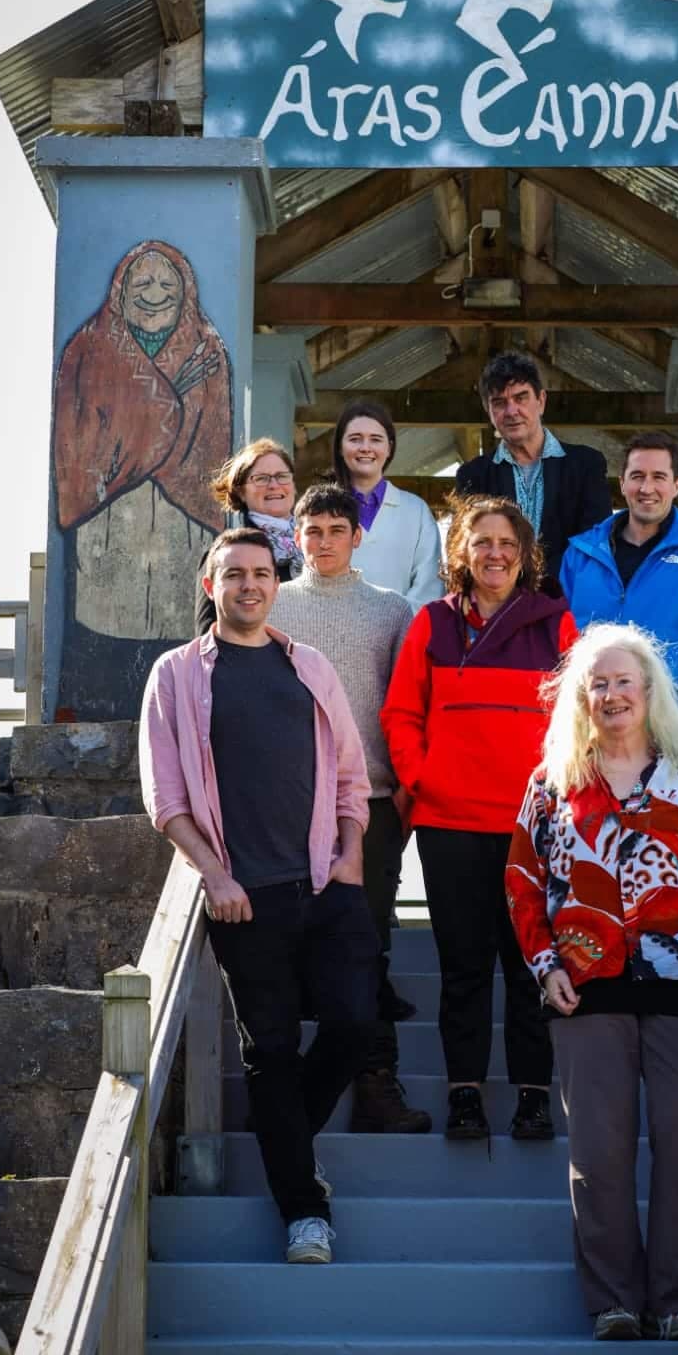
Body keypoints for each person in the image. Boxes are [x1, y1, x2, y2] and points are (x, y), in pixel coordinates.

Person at [506, 623, 678, 1342]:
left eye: (624, 681)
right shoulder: (552, 782)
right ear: (580, 698)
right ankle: (613, 1301)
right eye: (598, 683)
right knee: (598, 1153)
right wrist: (545, 965)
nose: (612, 694)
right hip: (586, 993)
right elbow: (524, 885)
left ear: (651, 692)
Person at [139, 526, 375, 1267]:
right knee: (271, 1053)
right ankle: (305, 1214)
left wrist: (352, 856)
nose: (248, 585)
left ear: (278, 584)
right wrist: (215, 875)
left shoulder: (308, 666)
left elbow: (350, 775)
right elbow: (166, 796)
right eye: (232, 574)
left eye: (261, 573)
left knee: (356, 1026)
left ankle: (290, 1145)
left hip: (324, 883)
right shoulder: (176, 675)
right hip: (246, 896)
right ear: (211, 586)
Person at [381, 495, 578, 1142]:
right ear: (460, 552)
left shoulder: (557, 625)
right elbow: (401, 715)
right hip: (450, 825)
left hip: (532, 829)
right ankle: (464, 1095)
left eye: (507, 543)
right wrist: (423, 779)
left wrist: (557, 801)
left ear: (525, 556)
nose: (495, 553)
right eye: (482, 541)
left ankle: (533, 1097)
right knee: (463, 968)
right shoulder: (432, 624)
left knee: (531, 968)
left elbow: (577, 726)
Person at [269, 482, 430, 1135]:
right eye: (313, 531)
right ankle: (286, 1087)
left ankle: (374, 1086)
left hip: (373, 800)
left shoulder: (392, 612)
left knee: (369, 943)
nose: (325, 541)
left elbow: (409, 705)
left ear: (357, 535)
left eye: (337, 530)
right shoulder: (272, 604)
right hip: (287, 801)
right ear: (296, 537)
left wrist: (407, 787)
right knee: (285, 943)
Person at [52, 239, 231, 717]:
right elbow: (81, 438)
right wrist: (170, 396)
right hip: (107, 520)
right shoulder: (88, 348)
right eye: (143, 282)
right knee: (104, 630)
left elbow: (211, 442)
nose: (155, 293)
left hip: (182, 520)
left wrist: (161, 406)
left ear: (185, 291)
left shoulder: (207, 348)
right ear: (121, 290)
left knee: (180, 629)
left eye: (167, 283)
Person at [560, 432, 678, 733]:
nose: (647, 488)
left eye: (659, 477)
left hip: (662, 723)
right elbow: (560, 643)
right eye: (637, 476)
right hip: (588, 722)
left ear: (676, 486)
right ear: (622, 483)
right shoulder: (581, 553)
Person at [454, 352, 612, 579]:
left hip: (566, 602)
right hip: (500, 606)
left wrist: (535, 588)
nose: (511, 411)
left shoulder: (586, 465)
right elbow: (468, 550)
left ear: (541, 401)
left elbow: (593, 543)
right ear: (488, 411)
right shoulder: (473, 475)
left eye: (521, 398)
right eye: (499, 403)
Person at [331, 397, 444, 610]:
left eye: (375, 439)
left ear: (389, 448)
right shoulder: (322, 511)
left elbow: (429, 587)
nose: (365, 447)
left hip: (403, 637)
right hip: (333, 635)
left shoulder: (416, 511)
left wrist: (395, 625)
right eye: (355, 439)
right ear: (339, 446)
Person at [194, 437, 303, 635]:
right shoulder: (225, 554)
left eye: (282, 476)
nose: (274, 485)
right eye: (261, 478)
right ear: (241, 491)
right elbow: (207, 635)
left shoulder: (314, 546)